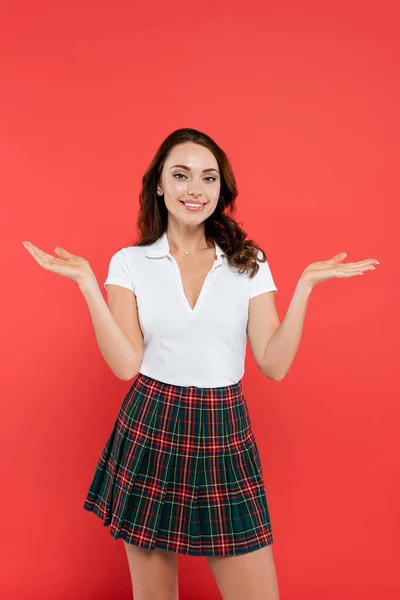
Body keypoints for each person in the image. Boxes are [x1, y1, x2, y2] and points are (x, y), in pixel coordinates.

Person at [22, 127, 379, 600]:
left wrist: (307, 286)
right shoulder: (129, 263)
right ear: (159, 185)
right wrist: (87, 283)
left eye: (208, 178)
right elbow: (127, 363)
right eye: (182, 175)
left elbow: (273, 363)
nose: (195, 189)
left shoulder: (247, 262)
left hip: (222, 425)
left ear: (220, 189)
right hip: (152, 421)